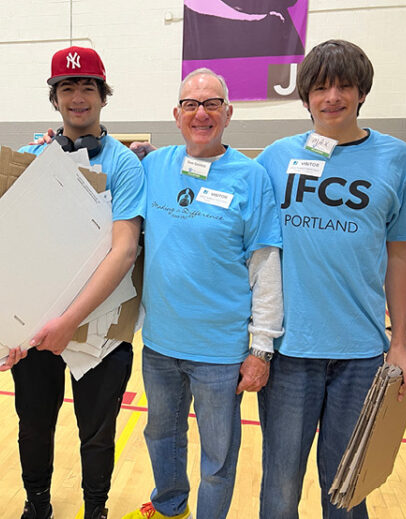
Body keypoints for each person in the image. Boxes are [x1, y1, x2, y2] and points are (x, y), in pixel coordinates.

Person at [252, 40, 406, 519]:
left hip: (361, 352)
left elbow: (399, 254)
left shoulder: (396, 158)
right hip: (289, 351)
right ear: (305, 96)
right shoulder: (274, 158)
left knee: (347, 487)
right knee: (280, 484)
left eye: (344, 86)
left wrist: (400, 343)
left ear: (362, 92)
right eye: (321, 87)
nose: (332, 97)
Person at [107, 67, 286, 519]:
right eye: (191, 104)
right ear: (177, 114)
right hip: (160, 345)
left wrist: (261, 349)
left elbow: (266, 266)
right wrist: (52, 148)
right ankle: (170, 508)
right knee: (161, 437)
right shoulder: (154, 166)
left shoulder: (251, 177)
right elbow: (102, 179)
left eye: (211, 104)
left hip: (221, 353)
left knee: (217, 457)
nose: (200, 113)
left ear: (228, 112)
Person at [0, 45, 147, 519]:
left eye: (88, 87)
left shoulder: (124, 165)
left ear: (103, 95)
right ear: (55, 98)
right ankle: (37, 505)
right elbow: (5, 241)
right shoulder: (31, 158)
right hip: (36, 323)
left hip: (101, 325)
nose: (78, 97)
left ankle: (95, 509)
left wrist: (70, 320)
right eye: (67, 87)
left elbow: (124, 250)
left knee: (96, 432)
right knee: (33, 425)